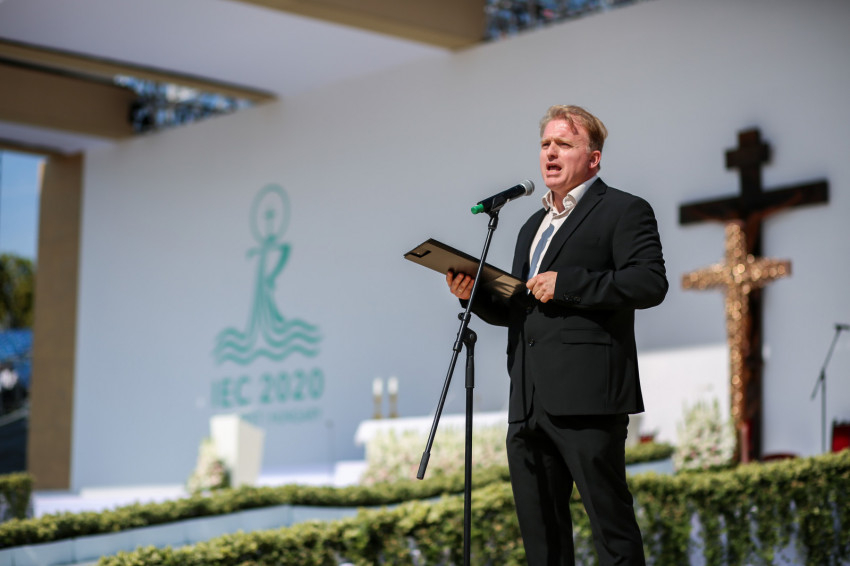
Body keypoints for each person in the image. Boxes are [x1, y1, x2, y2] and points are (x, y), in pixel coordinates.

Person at [447, 105, 667, 565]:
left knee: (612, 534)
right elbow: (521, 310)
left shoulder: (624, 210)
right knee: (542, 545)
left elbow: (649, 283)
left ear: (593, 158)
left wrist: (567, 284)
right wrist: (475, 295)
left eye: (563, 144)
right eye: (545, 144)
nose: (550, 152)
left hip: (589, 401)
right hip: (528, 403)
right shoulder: (532, 225)